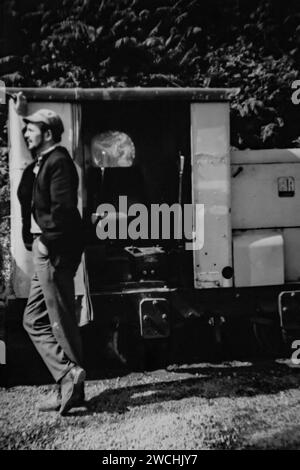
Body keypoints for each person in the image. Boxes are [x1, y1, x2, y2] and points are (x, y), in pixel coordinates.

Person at [15, 92, 86, 415]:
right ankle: (69, 379)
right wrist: (21, 115)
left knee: (58, 320)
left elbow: (65, 211)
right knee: (35, 319)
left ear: (47, 133)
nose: (25, 133)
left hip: (56, 250)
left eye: (31, 129)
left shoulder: (59, 162)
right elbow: (29, 182)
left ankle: (69, 383)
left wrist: (46, 242)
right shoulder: (45, 160)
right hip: (49, 248)